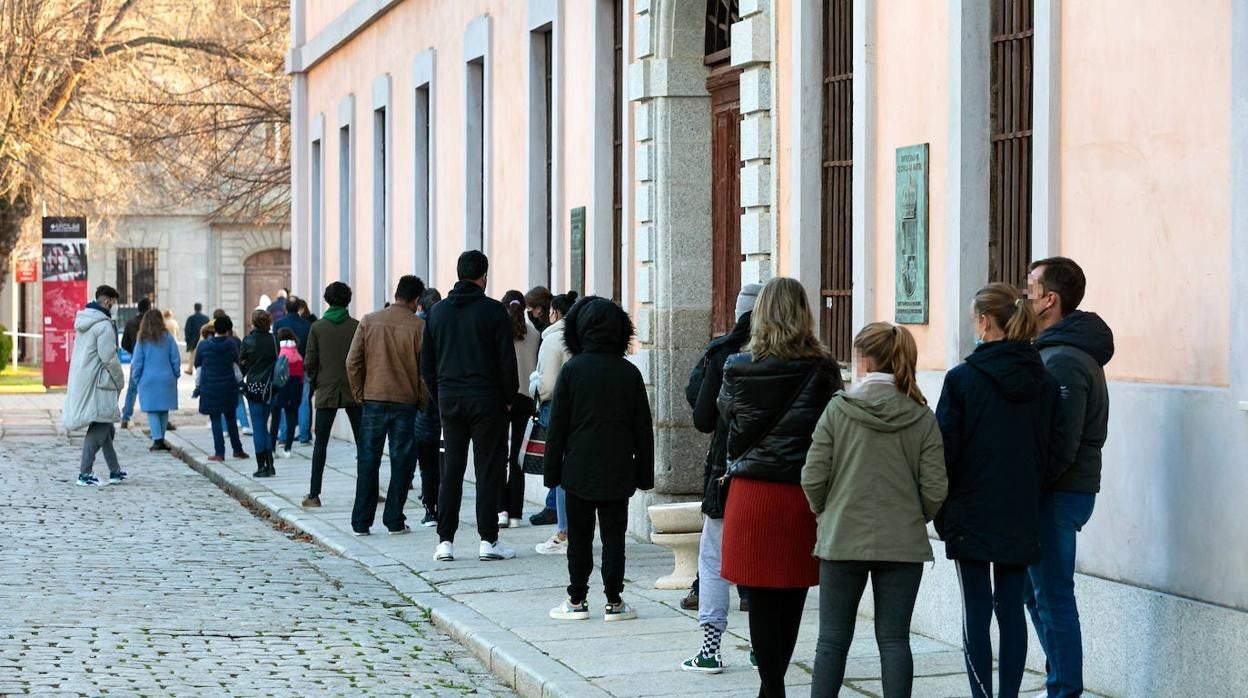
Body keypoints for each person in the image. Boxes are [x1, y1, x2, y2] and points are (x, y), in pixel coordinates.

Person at [802, 322, 948, 697]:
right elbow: (935, 487)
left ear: (864, 360)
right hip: (902, 540)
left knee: (832, 641)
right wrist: (915, 516)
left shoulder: (838, 410)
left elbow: (813, 476)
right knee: (895, 640)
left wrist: (826, 511)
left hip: (842, 536)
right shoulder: (921, 416)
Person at [718, 276, 843, 698]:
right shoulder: (823, 370)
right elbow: (833, 434)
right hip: (799, 496)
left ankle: (770, 689)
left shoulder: (737, 366)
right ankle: (773, 688)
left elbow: (725, 423)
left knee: (760, 601)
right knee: (792, 598)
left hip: (752, 495)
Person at [935, 283, 1059, 698]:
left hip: (970, 510)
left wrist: (941, 508)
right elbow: (1051, 448)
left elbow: (944, 452)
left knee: (976, 611)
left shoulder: (961, 379)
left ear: (985, 322)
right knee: (1012, 610)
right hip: (1021, 507)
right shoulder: (1042, 379)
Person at [1025, 257, 1114, 698]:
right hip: (1061, 491)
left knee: (1053, 595)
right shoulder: (1060, 351)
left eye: (1030, 289)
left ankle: (1064, 688)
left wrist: (1033, 483)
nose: (1025, 297)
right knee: (1033, 590)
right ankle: (1060, 676)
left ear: (1050, 301)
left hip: (1059, 493)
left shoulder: (1062, 360)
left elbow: (1062, 442)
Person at [545, 297, 654, 622]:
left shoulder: (572, 370)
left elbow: (557, 429)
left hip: (577, 468)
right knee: (613, 538)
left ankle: (576, 599)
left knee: (579, 538)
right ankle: (614, 600)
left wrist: (552, 472)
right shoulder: (628, 372)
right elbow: (643, 429)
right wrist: (644, 474)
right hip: (618, 468)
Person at [680, 283, 760, 672]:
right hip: (778, 474)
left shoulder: (722, 353)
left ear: (738, 312)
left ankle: (710, 649)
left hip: (727, 470)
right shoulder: (794, 356)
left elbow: (701, 416)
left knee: (713, 559)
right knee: (764, 561)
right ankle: (763, 646)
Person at [421, 251, 518, 562]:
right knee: (487, 469)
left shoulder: (437, 313)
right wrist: (507, 399)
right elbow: (507, 362)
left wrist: (440, 397)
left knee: (451, 469)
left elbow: (427, 364)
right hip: (487, 399)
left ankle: (445, 541)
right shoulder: (493, 312)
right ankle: (488, 539)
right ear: (483, 277)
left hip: (450, 399)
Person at [345, 275, 428, 535]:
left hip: (373, 399)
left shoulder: (369, 320)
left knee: (368, 460)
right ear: (416, 300)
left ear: (396, 294)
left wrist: (360, 393)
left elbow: (352, 362)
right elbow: (425, 372)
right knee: (402, 461)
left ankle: (361, 521)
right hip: (405, 401)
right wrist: (422, 400)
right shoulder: (419, 327)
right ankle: (393, 519)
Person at [303, 282, 363, 508]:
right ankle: (369, 490)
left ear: (327, 300)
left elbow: (310, 361)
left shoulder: (318, 328)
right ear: (348, 300)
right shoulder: (356, 326)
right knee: (363, 444)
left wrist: (317, 381)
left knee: (321, 444)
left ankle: (314, 494)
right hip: (353, 389)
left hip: (326, 389)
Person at [63, 285, 128, 486]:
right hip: (101, 382)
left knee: (105, 425)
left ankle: (115, 470)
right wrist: (120, 379)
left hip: (86, 379)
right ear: (107, 302)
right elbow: (109, 357)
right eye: (114, 303)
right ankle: (85, 474)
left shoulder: (86, 321)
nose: (115, 307)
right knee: (100, 425)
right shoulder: (103, 325)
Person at [529, 291, 577, 552]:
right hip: (580, 411)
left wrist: (534, 388)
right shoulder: (580, 335)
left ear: (555, 313)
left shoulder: (553, 339)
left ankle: (563, 531)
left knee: (559, 472)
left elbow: (546, 386)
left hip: (556, 410)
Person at [499, 290, 540, 528]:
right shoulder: (534, 334)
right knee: (518, 458)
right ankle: (515, 513)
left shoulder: (497, 331)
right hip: (526, 397)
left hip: (503, 397)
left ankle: (501, 510)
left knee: (497, 455)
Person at [195, 316, 249, 462]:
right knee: (231, 418)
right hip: (228, 386)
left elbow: (199, 368)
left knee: (215, 420)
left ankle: (219, 452)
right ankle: (237, 449)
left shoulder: (204, 345)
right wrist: (240, 383)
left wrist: (197, 386)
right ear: (228, 329)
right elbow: (235, 367)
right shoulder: (231, 344)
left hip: (210, 387)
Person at [412, 288, 444, 525]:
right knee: (445, 459)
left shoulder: (417, 328)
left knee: (427, 461)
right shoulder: (446, 325)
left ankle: (430, 508)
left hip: (423, 401)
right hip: (446, 399)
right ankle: (441, 504)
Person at [130, 308, 181, 452]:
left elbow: (137, 361)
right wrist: (175, 374)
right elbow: (175, 357)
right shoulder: (168, 336)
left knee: (152, 410)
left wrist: (136, 378)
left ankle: (157, 440)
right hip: (166, 378)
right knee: (164, 410)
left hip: (148, 379)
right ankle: (161, 439)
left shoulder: (142, 338)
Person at [240, 309, 279, 478]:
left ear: (253, 322)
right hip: (271, 386)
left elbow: (242, 363)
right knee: (264, 424)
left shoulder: (248, 340)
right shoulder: (273, 339)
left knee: (258, 426)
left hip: (255, 386)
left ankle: (261, 465)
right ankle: (270, 464)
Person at [275, 296, 313, 445]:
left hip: (284, 366)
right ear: (299, 308)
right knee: (304, 400)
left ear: (285, 308)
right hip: (302, 365)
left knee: (284, 399)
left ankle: (284, 436)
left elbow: (276, 348)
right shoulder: (307, 324)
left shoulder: (279, 324)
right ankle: (304, 436)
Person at [269, 328, 305, 459]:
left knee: (275, 420)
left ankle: (272, 449)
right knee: (291, 419)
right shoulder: (298, 356)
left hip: (279, 388)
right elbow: (301, 378)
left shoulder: (279, 354)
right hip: (294, 388)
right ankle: (288, 449)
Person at [119, 296, 152, 429]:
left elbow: (124, 344)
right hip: (151, 361)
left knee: (132, 389)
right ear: (149, 308)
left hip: (136, 360)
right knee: (152, 388)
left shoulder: (131, 322)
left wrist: (134, 351)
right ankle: (158, 418)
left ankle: (126, 417)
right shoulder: (151, 323)